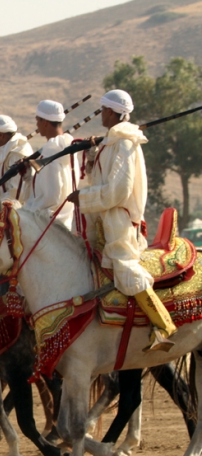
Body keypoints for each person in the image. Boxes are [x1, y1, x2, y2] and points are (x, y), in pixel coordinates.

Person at [67, 89, 176, 352]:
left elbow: (118, 191)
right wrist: (93, 157)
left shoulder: (125, 142)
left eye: (104, 110)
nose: (101, 114)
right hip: (105, 219)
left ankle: (163, 326)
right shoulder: (113, 141)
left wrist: (85, 197)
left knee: (126, 271)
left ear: (112, 112)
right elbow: (102, 181)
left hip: (120, 221)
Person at [24, 100, 78, 230]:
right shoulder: (68, 145)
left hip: (47, 226)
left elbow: (51, 197)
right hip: (65, 221)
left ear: (45, 122)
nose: (37, 126)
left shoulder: (51, 150)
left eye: (38, 121)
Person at [0, 115, 34, 202]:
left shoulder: (17, 154)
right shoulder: (7, 150)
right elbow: (7, 185)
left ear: (1, 135)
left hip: (15, 212)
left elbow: (16, 194)